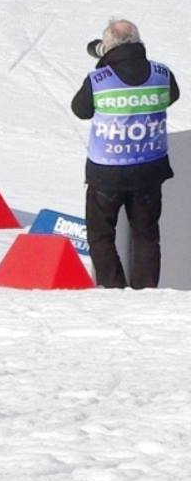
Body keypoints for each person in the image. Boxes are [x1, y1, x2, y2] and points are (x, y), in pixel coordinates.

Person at [72, 19, 179, 289]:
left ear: (107, 46)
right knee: (146, 235)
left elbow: (80, 109)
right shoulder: (161, 73)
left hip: (107, 173)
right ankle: (146, 292)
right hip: (148, 170)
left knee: (100, 236)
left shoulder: (99, 79)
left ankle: (114, 291)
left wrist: (104, 64)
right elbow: (172, 96)